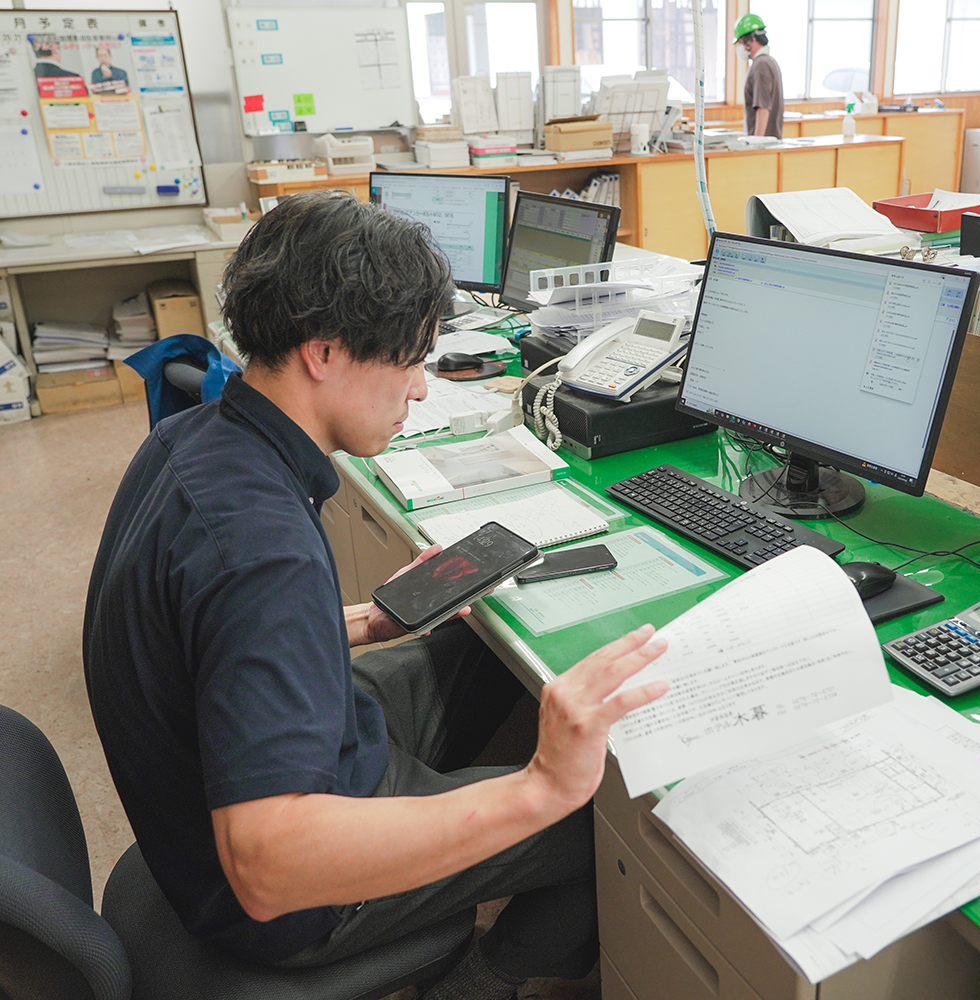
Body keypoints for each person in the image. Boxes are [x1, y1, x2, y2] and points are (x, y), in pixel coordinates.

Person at [83, 192, 670, 999]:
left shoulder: (191, 438)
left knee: (480, 648)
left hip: (245, 770)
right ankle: (481, 982)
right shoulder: (262, 552)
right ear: (324, 352)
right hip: (288, 891)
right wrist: (540, 788)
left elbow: (201, 634)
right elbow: (269, 866)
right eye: (410, 361)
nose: (421, 388)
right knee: (604, 808)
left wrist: (366, 620)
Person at [734, 13, 783, 140]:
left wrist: (757, 142)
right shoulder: (769, 61)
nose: (740, 48)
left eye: (741, 43)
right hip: (770, 142)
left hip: (764, 144)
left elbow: (763, 107)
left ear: (752, 40)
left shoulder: (761, 65)